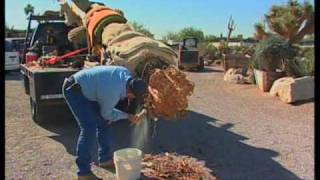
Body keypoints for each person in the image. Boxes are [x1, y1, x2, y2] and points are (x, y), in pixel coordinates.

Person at [62, 65, 148, 180]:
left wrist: (124, 115)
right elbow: (106, 114)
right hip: (74, 90)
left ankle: (105, 159)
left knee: (104, 123)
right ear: (130, 92)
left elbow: (107, 115)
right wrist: (128, 116)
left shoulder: (126, 74)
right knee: (89, 128)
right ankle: (83, 173)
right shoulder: (112, 92)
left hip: (89, 88)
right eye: (133, 97)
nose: (132, 99)